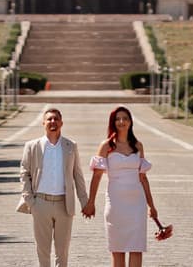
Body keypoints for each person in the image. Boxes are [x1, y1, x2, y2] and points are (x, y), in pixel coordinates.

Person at [83, 106, 158, 267]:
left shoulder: (138, 146)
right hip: (115, 205)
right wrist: (91, 202)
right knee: (117, 250)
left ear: (131, 122)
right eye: (118, 119)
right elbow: (96, 176)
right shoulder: (106, 146)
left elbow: (143, 178)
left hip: (137, 206)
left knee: (136, 249)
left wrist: (151, 206)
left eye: (125, 118)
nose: (121, 122)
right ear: (113, 122)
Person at [17, 107, 91, 267]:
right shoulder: (32, 146)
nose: (53, 122)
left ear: (61, 123)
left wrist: (85, 202)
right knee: (43, 251)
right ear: (43, 123)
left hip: (64, 204)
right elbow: (24, 173)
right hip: (40, 203)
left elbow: (77, 175)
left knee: (62, 252)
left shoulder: (70, 145)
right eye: (49, 119)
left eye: (56, 119)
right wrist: (30, 200)